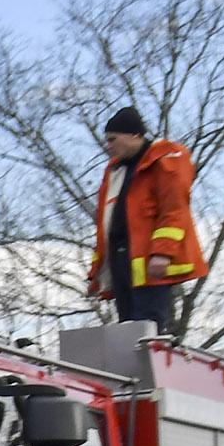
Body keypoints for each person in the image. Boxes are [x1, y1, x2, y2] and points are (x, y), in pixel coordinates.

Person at [91, 107, 202, 334]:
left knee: (147, 328)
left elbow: (174, 209)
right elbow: (107, 224)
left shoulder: (166, 159)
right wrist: (97, 270)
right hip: (121, 260)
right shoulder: (115, 170)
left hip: (150, 263)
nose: (108, 146)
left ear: (135, 135)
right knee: (127, 331)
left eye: (113, 139)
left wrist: (162, 252)